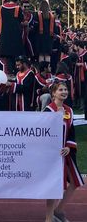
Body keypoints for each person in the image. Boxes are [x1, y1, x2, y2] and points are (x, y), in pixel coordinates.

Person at [44, 81, 84, 222]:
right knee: (54, 186)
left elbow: (71, 132)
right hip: (52, 155)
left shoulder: (69, 110)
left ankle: (59, 210)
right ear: (54, 93)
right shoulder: (48, 110)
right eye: (60, 89)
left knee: (75, 181)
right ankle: (49, 218)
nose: (64, 92)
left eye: (65, 89)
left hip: (66, 153)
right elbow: (43, 132)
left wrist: (68, 146)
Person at [0, 0, 24, 74]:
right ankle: (15, 71)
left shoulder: (1, 8)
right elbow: (21, 20)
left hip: (4, 35)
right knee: (15, 55)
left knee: (7, 56)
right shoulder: (17, 8)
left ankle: (8, 71)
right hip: (15, 36)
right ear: (17, 0)